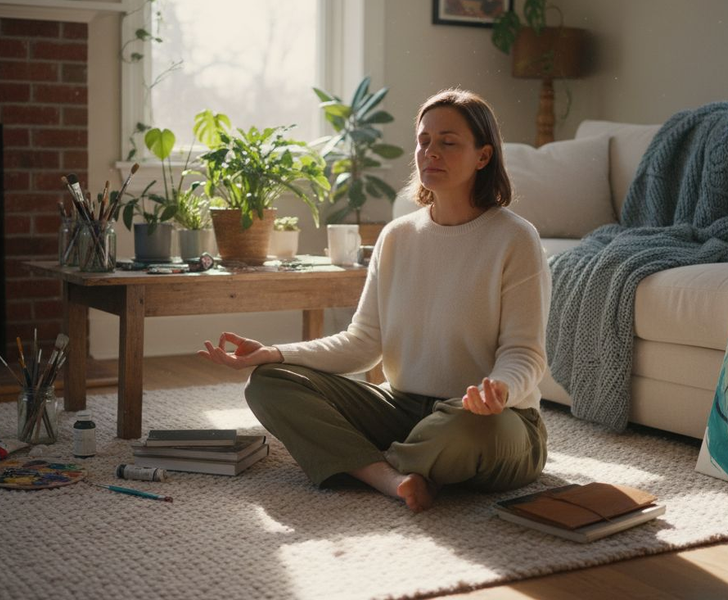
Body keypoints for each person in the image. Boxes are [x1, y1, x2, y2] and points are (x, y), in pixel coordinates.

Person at [198, 89, 551, 512]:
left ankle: (370, 459)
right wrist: (275, 353)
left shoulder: (515, 238)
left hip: (489, 419)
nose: (430, 152)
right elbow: (363, 342)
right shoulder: (397, 237)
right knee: (270, 383)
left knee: (469, 430)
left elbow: (524, 353)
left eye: (448, 142)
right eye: (423, 141)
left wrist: (499, 391)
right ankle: (392, 478)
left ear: (483, 156)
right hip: (402, 406)